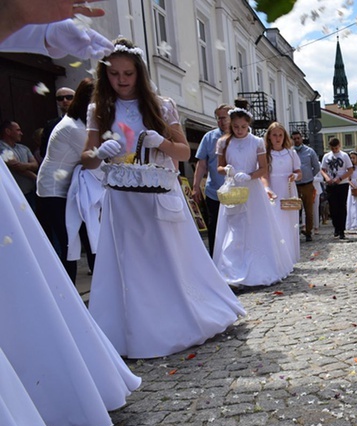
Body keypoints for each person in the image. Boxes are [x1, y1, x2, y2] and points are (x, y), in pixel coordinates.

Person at [0, 4, 136, 426]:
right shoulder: (75, 127)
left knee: (46, 268)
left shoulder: (76, 125)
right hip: (56, 196)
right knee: (54, 260)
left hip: (57, 194)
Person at [81, 37, 244, 359]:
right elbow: (86, 158)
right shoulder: (97, 110)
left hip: (156, 191)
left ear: (139, 74)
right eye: (114, 74)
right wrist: (99, 152)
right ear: (105, 75)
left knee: (168, 257)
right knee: (131, 262)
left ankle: (178, 317)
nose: (122, 80)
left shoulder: (161, 105)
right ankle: (135, 326)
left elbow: (184, 151)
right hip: (123, 197)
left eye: (128, 73)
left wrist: (162, 142)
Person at [213, 108, 294, 286]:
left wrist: (250, 176)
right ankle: (232, 270)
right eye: (235, 126)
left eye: (243, 126)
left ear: (248, 125)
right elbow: (219, 167)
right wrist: (227, 170)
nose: (239, 130)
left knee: (255, 227)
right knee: (234, 228)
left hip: (252, 189)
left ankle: (259, 267)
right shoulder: (223, 142)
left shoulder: (256, 142)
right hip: (233, 188)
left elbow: (264, 168)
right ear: (230, 125)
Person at [35, 78, 94, 283]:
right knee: (69, 243)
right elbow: (94, 160)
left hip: (69, 190)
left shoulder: (77, 124)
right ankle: (67, 293)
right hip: (54, 191)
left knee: (87, 237)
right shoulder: (72, 128)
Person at [193, 104, 231, 257]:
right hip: (214, 191)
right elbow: (202, 164)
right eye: (218, 118)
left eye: (224, 118)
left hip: (237, 193)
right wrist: (195, 186)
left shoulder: (240, 136)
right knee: (214, 227)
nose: (220, 122)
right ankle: (215, 258)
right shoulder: (209, 137)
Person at [264, 122, 302, 263]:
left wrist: (295, 176)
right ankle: (279, 257)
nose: (277, 138)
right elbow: (264, 174)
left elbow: (299, 172)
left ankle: (290, 256)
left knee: (290, 222)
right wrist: (267, 189)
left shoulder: (291, 153)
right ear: (269, 137)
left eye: (280, 135)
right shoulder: (266, 154)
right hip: (274, 189)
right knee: (276, 222)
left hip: (288, 189)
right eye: (274, 135)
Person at [0, 120, 38, 211]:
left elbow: (35, 165)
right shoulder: (1, 148)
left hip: (30, 192)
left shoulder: (24, 148)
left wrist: (23, 166)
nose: (21, 133)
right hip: (14, 194)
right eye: (18, 130)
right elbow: (16, 167)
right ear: (8, 131)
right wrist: (34, 176)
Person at [321, 137, 353, 239]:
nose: (334, 150)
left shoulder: (344, 156)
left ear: (339, 146)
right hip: (331, 184)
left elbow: (350, 170)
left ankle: (342, 229)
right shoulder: (326, 156)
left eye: (336, 148)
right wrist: (327, 178)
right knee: (333, 207)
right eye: (332, 148)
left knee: (341, 206)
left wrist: (340, 178)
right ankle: (336, 226)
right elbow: (323, 170)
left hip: (342, 183)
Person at [292, 130, 320, 242]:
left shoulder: (310, 151)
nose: (296, 140)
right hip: (295, 185)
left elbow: (316, 167)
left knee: (309, 210)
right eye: (294, 139)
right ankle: (294, 234)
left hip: (308, 184)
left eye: (298, 138)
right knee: (295, 210)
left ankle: (308, 232)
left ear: (301, 138)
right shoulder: (290, 152)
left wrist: (309, 176)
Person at [40, 86, 75, 159]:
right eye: (60, 98)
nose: (65, 100)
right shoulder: (50, 125)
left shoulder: (87, 120)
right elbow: (44, 150)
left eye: (69, 97)